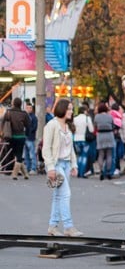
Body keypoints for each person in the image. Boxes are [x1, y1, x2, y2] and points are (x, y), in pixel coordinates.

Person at [42, 98, 83, 236]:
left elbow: (70, 149)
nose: (71, 111)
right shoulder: (51, 125)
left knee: (58, 196)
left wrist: (74, 164)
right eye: (69, 109)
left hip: (66, 164)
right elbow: (46, 148)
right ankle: (68, 226)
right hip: (56, 164)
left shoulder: (68, 126)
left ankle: (52, 227)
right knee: (66, 194)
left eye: (72, 109)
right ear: (62, 109)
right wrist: (51, 167)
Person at [5, 98, 30, 180]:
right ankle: (22, 174)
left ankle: (16, 174)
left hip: (10, 137)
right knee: (19, 154)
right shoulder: (24, 114)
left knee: (16, 155)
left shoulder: (8, 112)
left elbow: (2, 123)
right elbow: (28, 126)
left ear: (13, 103)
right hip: (21, 137)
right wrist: (26, 134)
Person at [92, 102, 116, 180]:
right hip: (109, 134)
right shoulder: (109, 116)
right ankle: (108, 172)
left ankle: (101, 171)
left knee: (101, 154)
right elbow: (113, 125)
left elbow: (95, 126)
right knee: (109, 154)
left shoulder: (96, 117)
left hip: (100, 135)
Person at [23, 101, 38, 175]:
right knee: (26, 154)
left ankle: (33, 168)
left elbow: (34, 127)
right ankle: (28, 168)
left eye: (30, 108)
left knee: (32, 154)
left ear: (32, 109)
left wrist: (28, 131)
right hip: (25, 137)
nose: (28, 109)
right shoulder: (24, 116)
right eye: (27, 108)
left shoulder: (33, 117)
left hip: (31, 137)